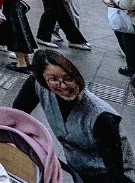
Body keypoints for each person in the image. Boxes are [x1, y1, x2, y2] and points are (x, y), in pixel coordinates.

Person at [12, 50, 135, 183]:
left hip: (111, 176)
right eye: (54, 80)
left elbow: (116, 174)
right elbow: (15, 116)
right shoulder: (38, 86)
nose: (64, 85)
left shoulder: (101, 117)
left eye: (68, 78)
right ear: (43, 81)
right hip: (79, 170)